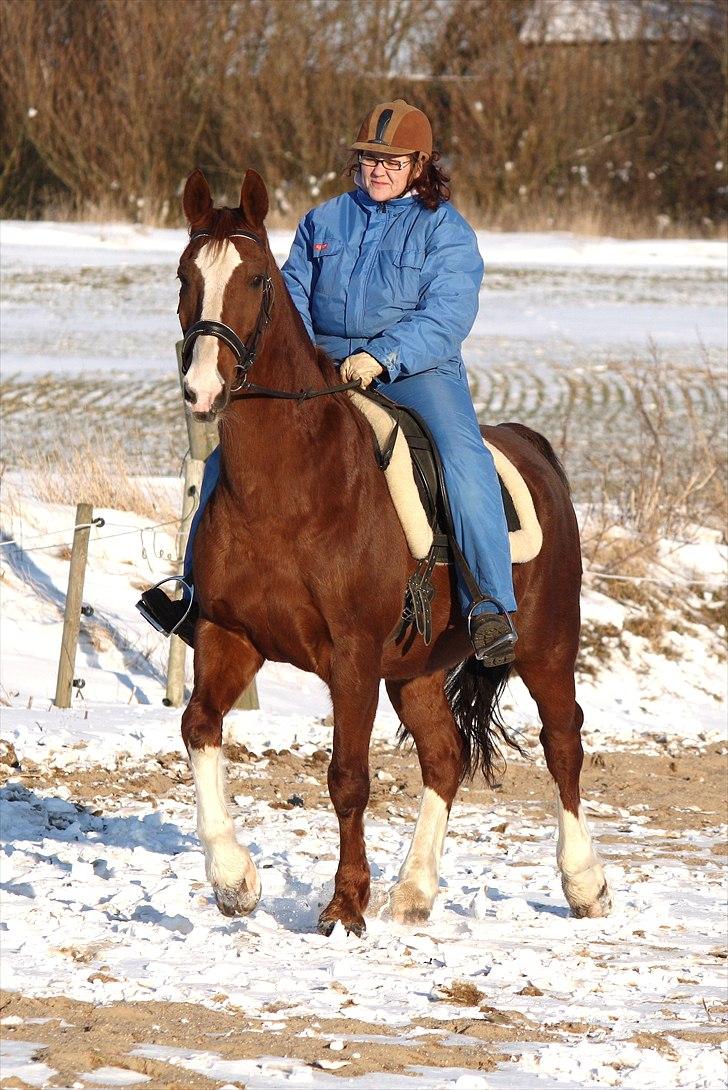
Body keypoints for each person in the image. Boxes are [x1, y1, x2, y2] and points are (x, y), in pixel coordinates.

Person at [138, 99, 517, 666]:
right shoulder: (324, 221)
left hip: (417, 372)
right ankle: (195, 596)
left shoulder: (447, 231)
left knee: (464, 463)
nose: (378, 171)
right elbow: (290, 299)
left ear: (420, 164)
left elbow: (447, 316)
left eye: (392, 161)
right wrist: (309, 360)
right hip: (324, 370)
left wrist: (383, 357)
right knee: (226, 459)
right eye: (369, 159)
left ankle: (489, 604)